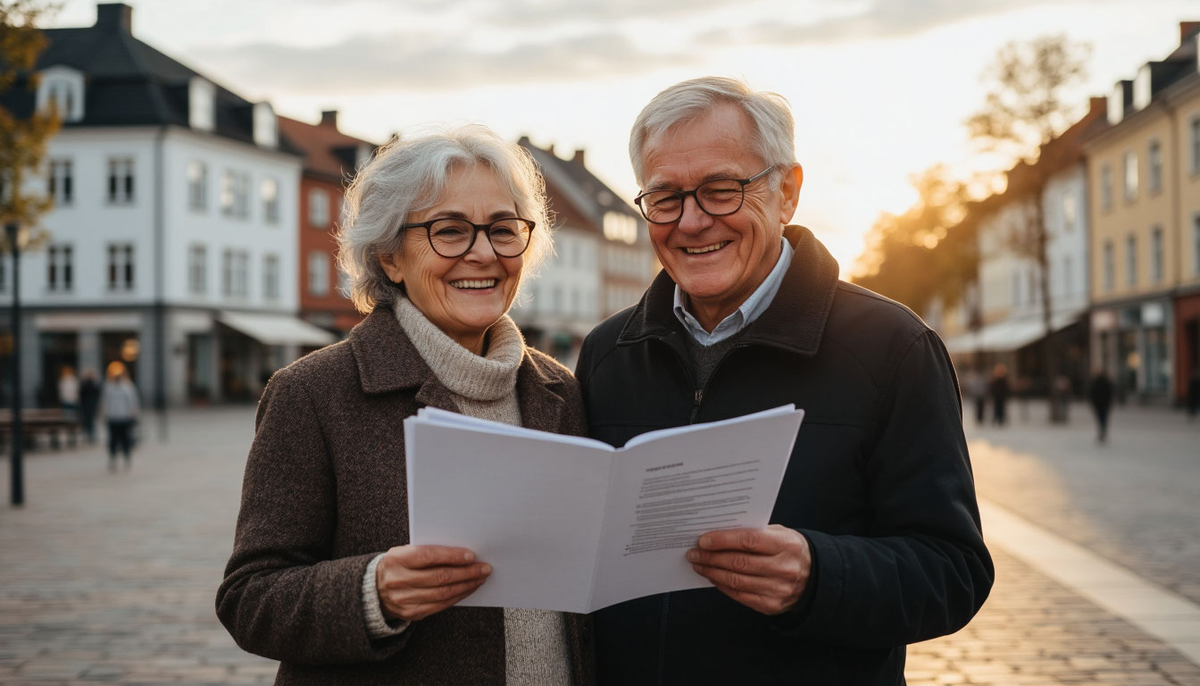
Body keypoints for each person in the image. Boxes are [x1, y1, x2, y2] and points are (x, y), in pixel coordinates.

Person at [575, 77, 993, 685]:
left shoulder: (893, 347)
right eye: (665, 198)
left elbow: (953, 572)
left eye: (721, 190)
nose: (692, 221)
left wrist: (819, 575)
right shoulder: (607, 352)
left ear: (787, 192)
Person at [216, 127, 593, 686]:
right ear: (390, 257)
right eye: (450, 230)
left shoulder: (559, 390)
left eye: (502, 229)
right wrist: (373, 592)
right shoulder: (313, 393)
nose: (483, 253)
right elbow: (251, 599)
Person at [101, 361, 139, 471]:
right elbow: (105, 402)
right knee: (112, 440)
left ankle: (126, 457)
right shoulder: (108, 387)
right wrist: (104, 414)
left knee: (125, 439)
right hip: (112, 417)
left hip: (124, 417)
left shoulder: (128, 386)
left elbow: (133, 401)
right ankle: (113, 458)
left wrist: (134, 413)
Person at [1089, 368, 1114, 442]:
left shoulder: (1095, 382)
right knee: (1104, 417)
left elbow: (1092, 394)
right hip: (1105, 404)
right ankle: (1103, 430)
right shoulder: (1107, 382)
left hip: (1098, 404)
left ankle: (1101, 430)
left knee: (1099, 418)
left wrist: (1093, 402)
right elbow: (1110, 393)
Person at [79, 368, 101, 443]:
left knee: (92, 420)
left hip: (92, 404)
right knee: (86, 420)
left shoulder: (95, 384)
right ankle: (88, 434)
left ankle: (92, 435)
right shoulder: (84, 384)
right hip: (86, 405)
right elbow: (82, 394)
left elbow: (97, 393)